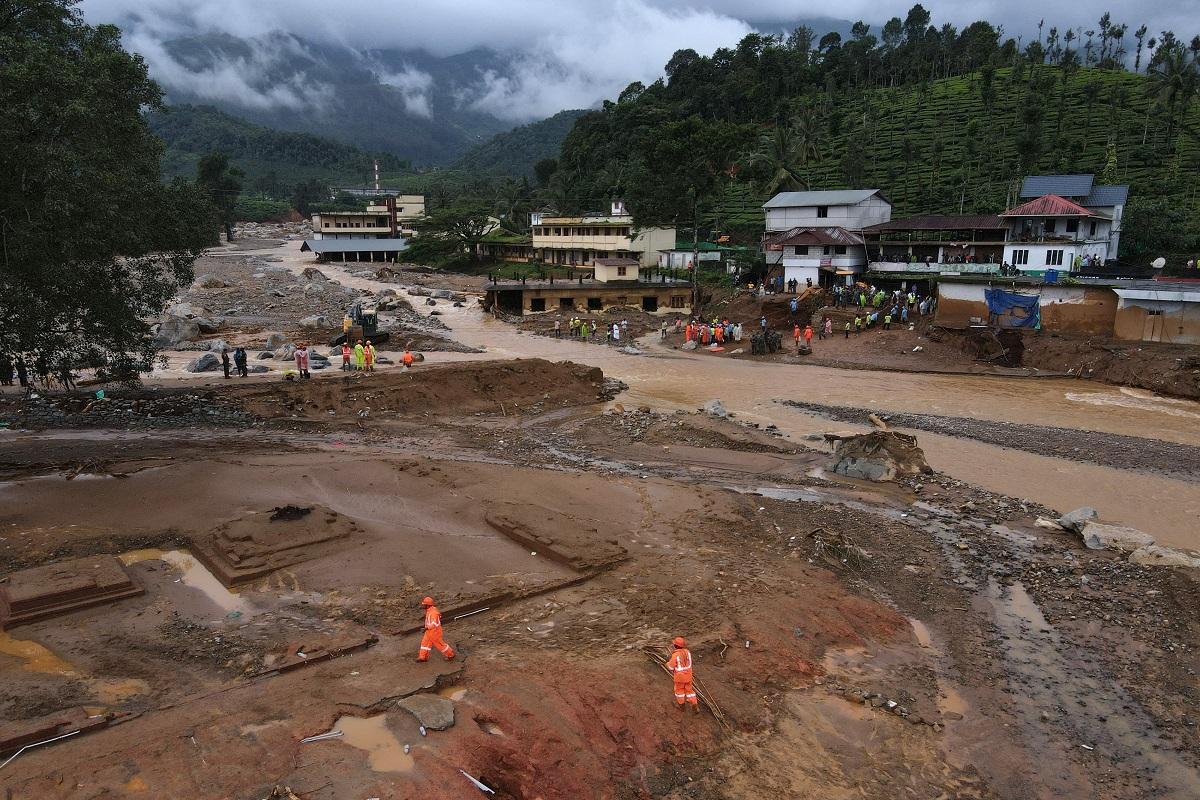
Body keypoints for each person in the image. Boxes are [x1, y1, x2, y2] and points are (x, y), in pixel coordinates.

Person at [416, 596, 456, 662]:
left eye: (424, 604)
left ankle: (451, 655)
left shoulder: (433, 613)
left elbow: (434, 624)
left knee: (440, 645)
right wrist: (427, 629)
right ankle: (423, 657)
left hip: (435, 632)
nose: (422, 606)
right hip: (429, 631)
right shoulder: (430, 610)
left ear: (427, 605)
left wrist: (426, 628)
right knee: (424, 644)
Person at [667, 636, 698, 712]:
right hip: (688, 676)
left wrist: (667, 664)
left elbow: (670, 667)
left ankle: (682, 707)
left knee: (679, 691)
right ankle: (694, 705)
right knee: (689, 691)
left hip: (679, 678)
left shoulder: (675, 655)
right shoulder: (688, 652)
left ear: (675, 646)